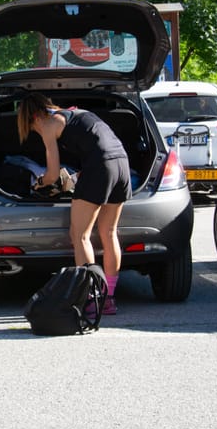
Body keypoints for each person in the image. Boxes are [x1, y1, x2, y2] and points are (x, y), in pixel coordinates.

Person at [17, 93, 132, 315]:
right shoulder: (76, 114)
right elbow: (98, 147)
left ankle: (91, 297)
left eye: (32, 128)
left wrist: (39, 184)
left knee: (80, 235)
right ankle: (108, 299)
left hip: (101, 168)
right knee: (109, 232)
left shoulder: (50, 124)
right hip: (122, 164)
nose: (37, 132)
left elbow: (51, 175)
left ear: (35, 117)